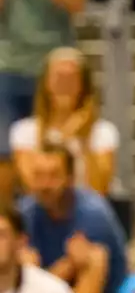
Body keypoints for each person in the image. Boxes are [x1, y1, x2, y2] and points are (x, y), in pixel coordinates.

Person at [0, 0, 87, 207]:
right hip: (7, 64)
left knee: (58, 151)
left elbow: (76, 0)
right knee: (5, 153)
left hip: (54, 67)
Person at [18, 144, 128, 293]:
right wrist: (67, 266)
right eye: (39, 176)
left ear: (70, 178)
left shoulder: (93, 215)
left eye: (53, 176)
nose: (44, 185)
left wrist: (36, 274)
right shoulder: (25, 213)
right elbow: (16, 284)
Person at [11, 47, 119, 195]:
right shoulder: (24, 131)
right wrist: (65, 134)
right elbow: (32, 185)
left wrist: (84, 140)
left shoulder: (103, 131)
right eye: (59, 77)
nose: (64, 84)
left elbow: (99, 188)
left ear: (83, 84)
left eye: (71, 78)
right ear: (46, 83)